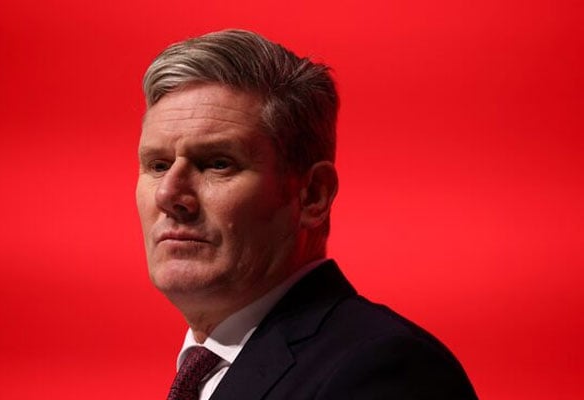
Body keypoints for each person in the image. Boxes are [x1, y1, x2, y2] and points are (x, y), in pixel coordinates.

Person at [136, 29, 477, 400]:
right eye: (157, 165)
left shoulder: (386, 371)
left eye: (218, 163)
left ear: (313, 195)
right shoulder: (205, 372)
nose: (170, 194)